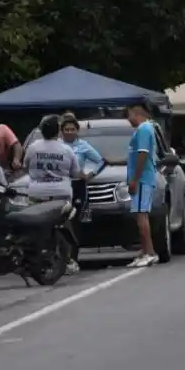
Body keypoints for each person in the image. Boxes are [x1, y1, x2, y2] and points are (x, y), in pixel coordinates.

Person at [23, 115, 81, 273]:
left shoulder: (33, 147)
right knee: (64, 226)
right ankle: (69, 260)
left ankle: (33, 258)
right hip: (61, 195)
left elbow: (25, 166)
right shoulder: (66, 149)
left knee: (35, 227)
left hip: (37, 194)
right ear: (58, 131)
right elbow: (75, 173)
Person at [59, 113, 106, 274]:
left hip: (77, 186)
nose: (70, 132)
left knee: (73, 222)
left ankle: (73, 258)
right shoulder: (58, 146)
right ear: (61, 131)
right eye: (67, 129)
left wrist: (89, 175)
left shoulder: (83, 146)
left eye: (73, 129)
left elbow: (100, 161)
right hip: (60, 186)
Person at [126, 102, 160, 268]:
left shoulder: (144, 129)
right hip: (142, 178)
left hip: (142, 179)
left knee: (142, 216)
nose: (128, 119)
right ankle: (146, 250)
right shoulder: (144, 129)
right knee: (140, 216)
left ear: (136, 113)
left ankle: (149, 253)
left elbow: (142, 155)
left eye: (129, 115)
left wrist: (135, 179)